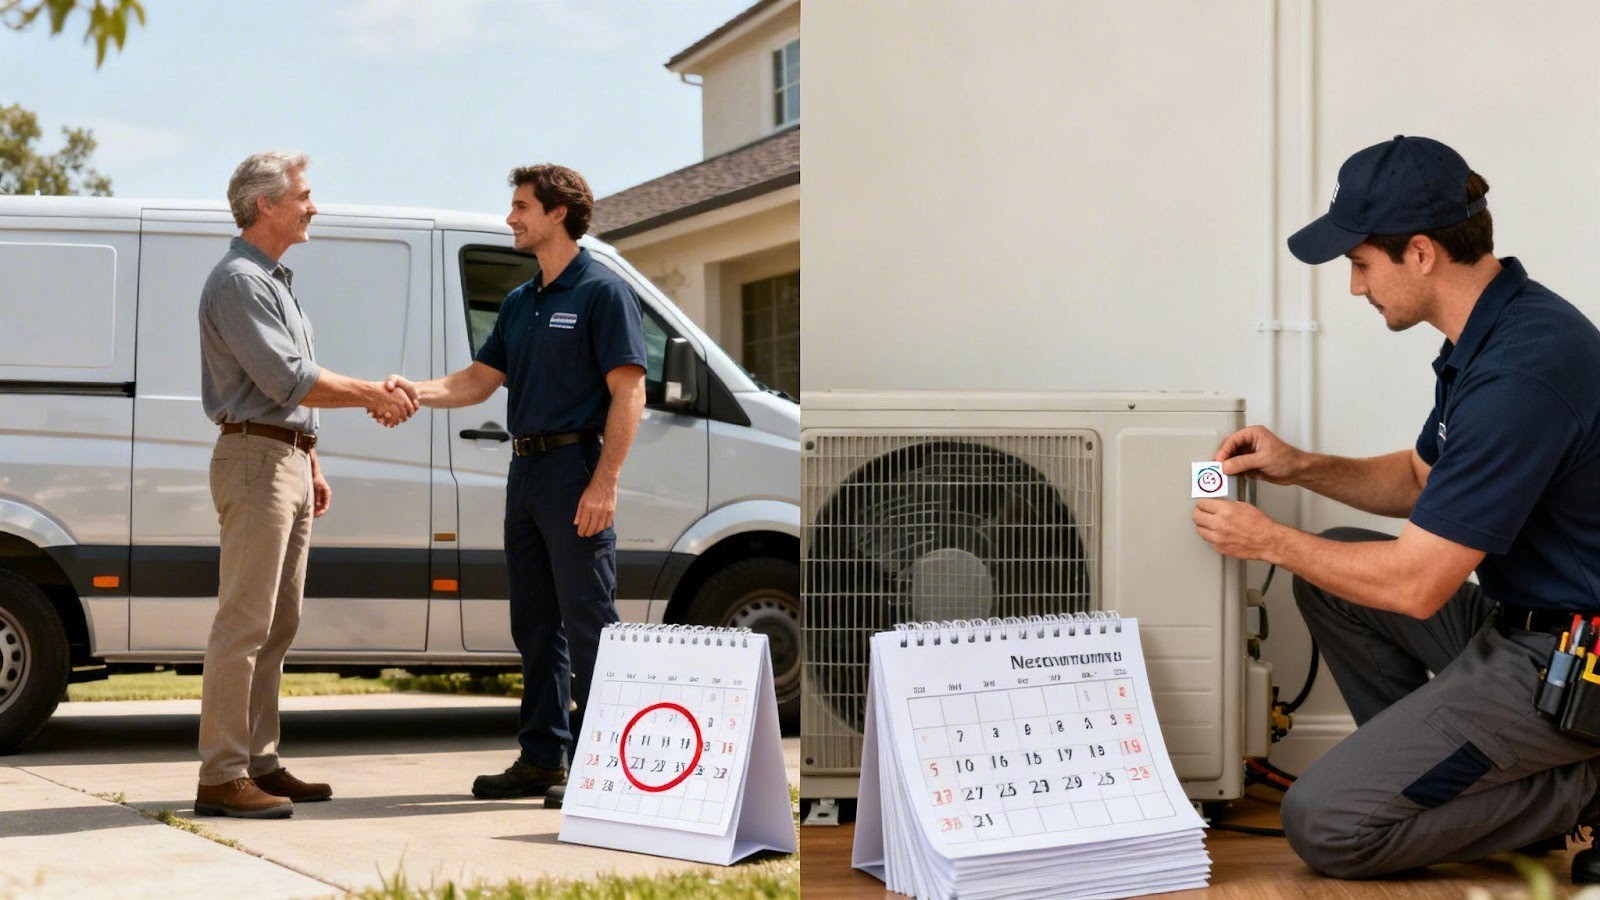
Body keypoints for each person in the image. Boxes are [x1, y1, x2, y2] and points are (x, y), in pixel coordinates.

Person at [1193, 135, 1600, 880]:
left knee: (1325, 824)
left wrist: (1269, 540)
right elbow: (1420, 480)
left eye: (1359, 264)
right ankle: (1441, 789)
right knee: (1333, 573)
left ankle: (1582, 788)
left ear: (1419, 253)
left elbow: (1417, 585)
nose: (1354, 287)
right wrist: (1298, 467)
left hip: (1574, 665)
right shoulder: (1491, 333)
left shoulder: (1522, 373)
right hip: (1520, 629)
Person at [389, 164, 646, 808]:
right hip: (525, 472)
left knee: (589, 621)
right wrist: (407, 392)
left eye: (521, 206)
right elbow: (477, 381)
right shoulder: (520, 300)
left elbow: (629, 391)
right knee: (533, 624)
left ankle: (598, 765)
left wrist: (604, 482)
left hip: (575, 469)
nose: (511, 218)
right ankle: (542, 757)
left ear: (558, 214)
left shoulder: (602, 292)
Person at [195, 151, 419, 819]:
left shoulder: (274, 280)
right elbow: (288, 378)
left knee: (278, 623)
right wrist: (377, 394)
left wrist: (312, 458)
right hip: (257, 464)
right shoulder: (239, 281)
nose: (313, 206)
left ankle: (258, 761)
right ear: (267, 205)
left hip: (285, 461)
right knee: (244, 623)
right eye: (304, 194)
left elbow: (294, 388)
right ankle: (221, 775)